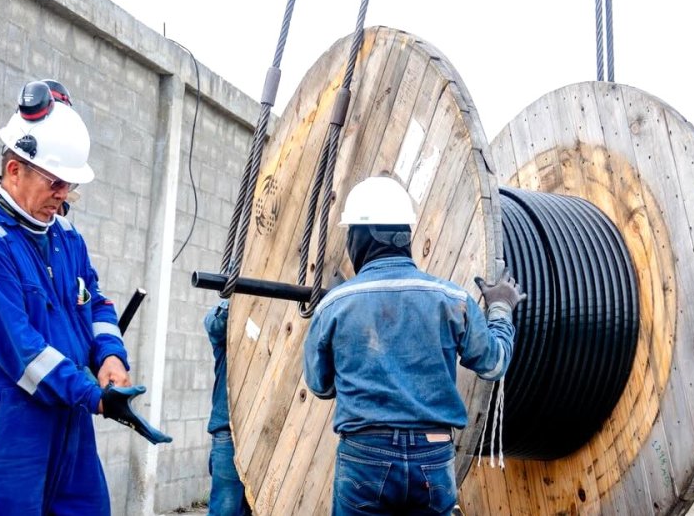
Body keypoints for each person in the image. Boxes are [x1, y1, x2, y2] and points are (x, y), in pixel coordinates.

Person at [0, 80, 169, 516]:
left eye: (70, 186)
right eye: (56, 183)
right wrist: (94, 396)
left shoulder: (65, 237)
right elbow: (21, 351)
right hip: (7, 429)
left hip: (69, 419)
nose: (64, 196)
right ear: (15, 170)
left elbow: (95, 304)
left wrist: (110, 357)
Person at [303, 176, 524, 516]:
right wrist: (500, 308)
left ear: (364, 237)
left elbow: (320, 385)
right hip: (432, 457)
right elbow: (495, 364)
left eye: (351, 233)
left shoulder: (335, 305)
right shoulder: (452, 300)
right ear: (403, 236)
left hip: (364, 458)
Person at [204, 299, 251, 515]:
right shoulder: (227, 319)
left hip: (267, 433)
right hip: (229, 430)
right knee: (226, 509)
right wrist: (238, 296)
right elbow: (214, 324)